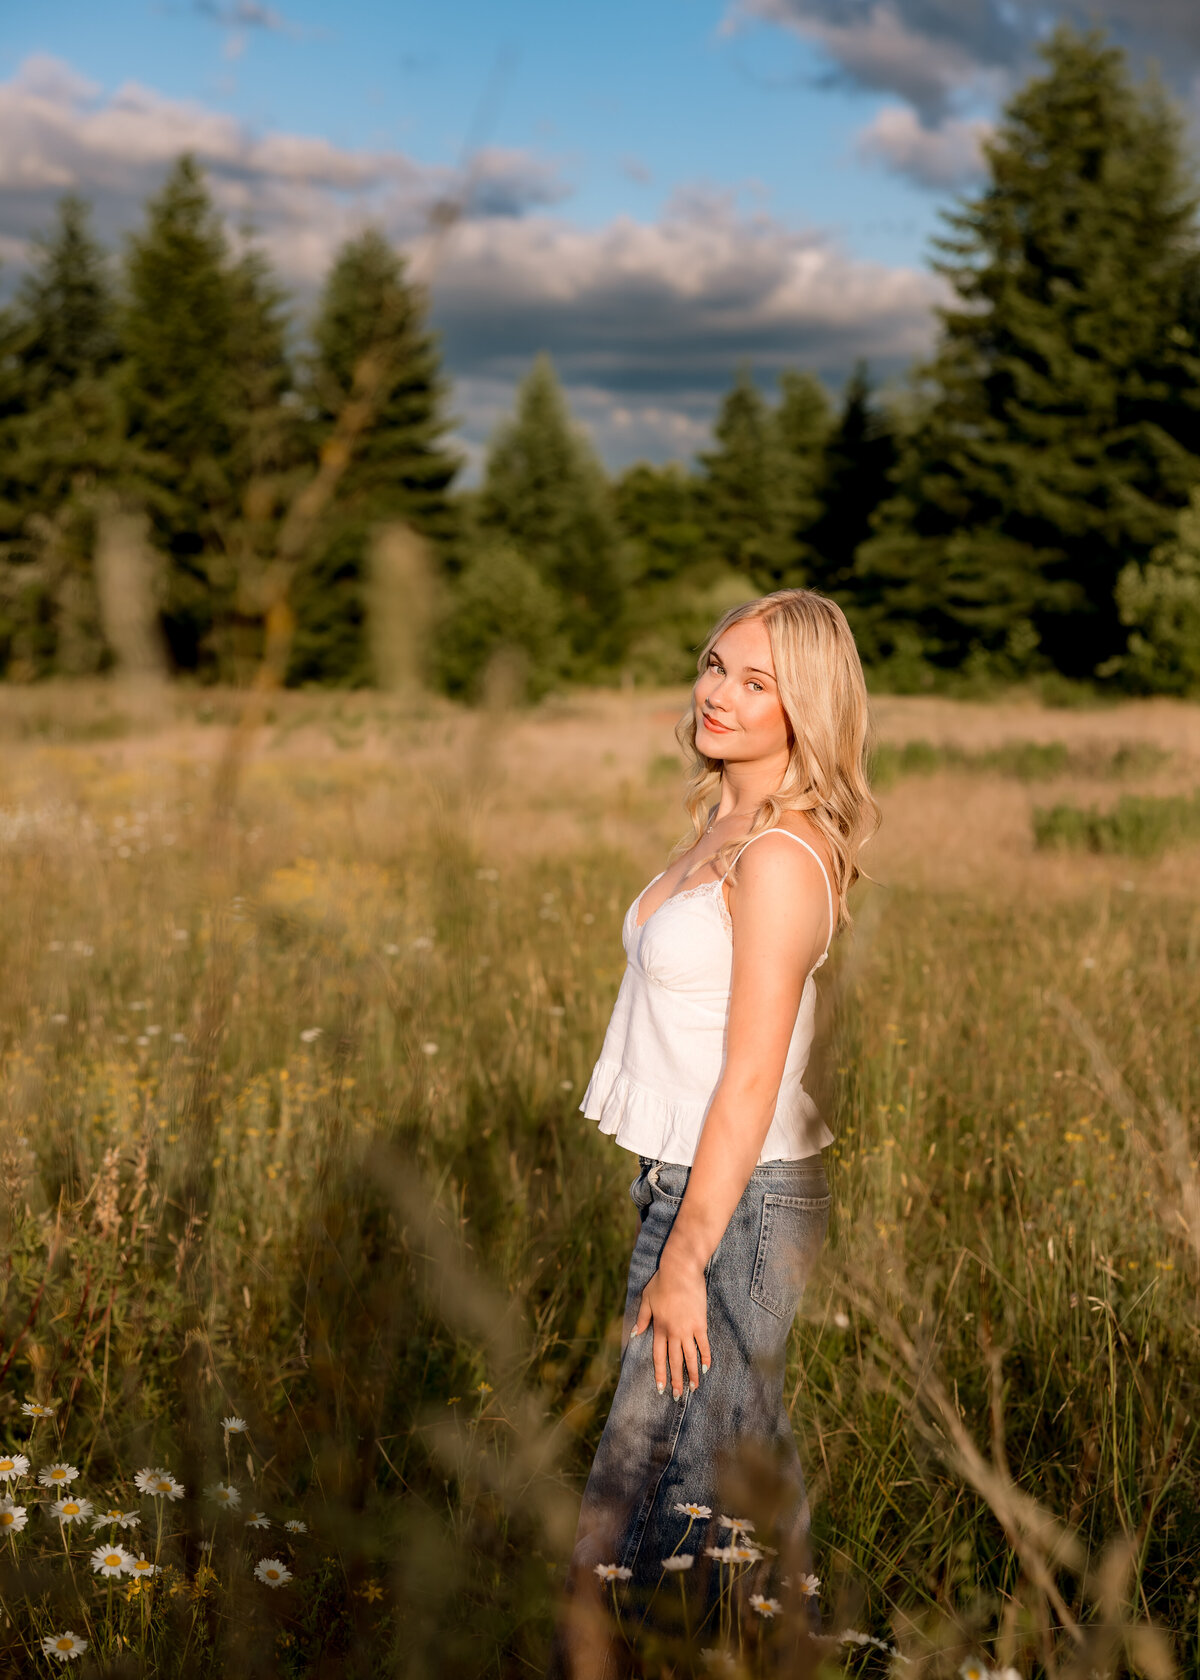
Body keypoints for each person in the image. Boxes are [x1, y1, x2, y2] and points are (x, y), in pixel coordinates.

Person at [544, 589, 880, 1679]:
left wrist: (685, 1257)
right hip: (691, 1190)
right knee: (732, 1497)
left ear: (806, 710)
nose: (718, 694)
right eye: (714, 665)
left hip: (728, 1210)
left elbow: (750, 1081)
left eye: (756, 682)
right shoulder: (724, 824)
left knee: (623, 1529)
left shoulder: (779, 856)